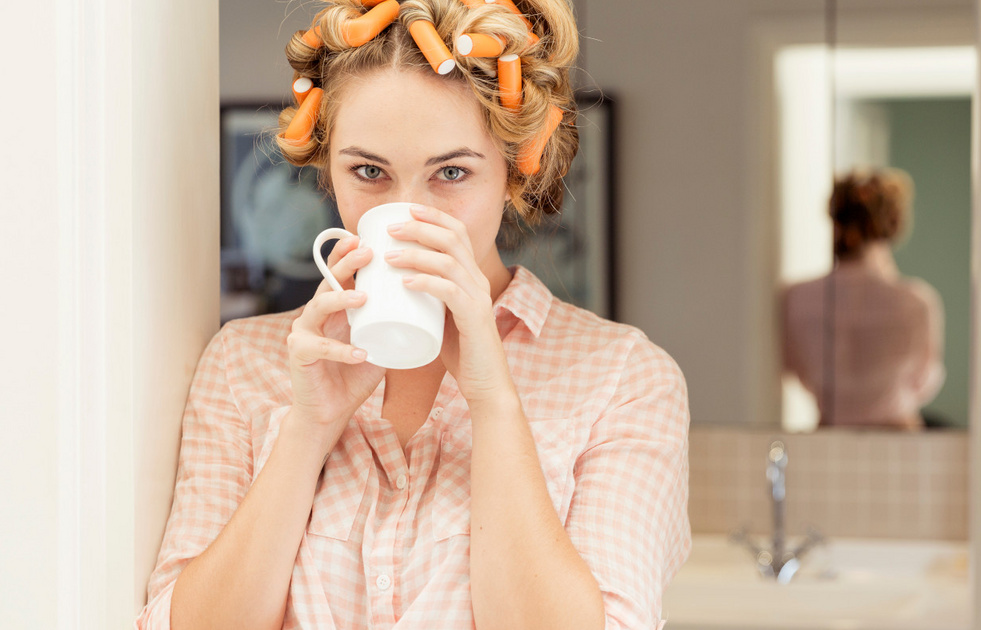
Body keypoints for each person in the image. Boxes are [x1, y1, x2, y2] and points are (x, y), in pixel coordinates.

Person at [135, 1, 692, 628]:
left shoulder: (624, 378)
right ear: (328, 170)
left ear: (512, 171)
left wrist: (492, 401)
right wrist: (306, 429)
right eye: (369, 171)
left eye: (450, 172)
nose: (409, 213)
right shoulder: (244, 362)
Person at [781, 168, 945, 431]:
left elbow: (794, 368)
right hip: (899, 438)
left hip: (828, 436)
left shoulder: (796, 298)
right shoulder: (915, 302)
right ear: (894, 223)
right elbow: (923, 382)